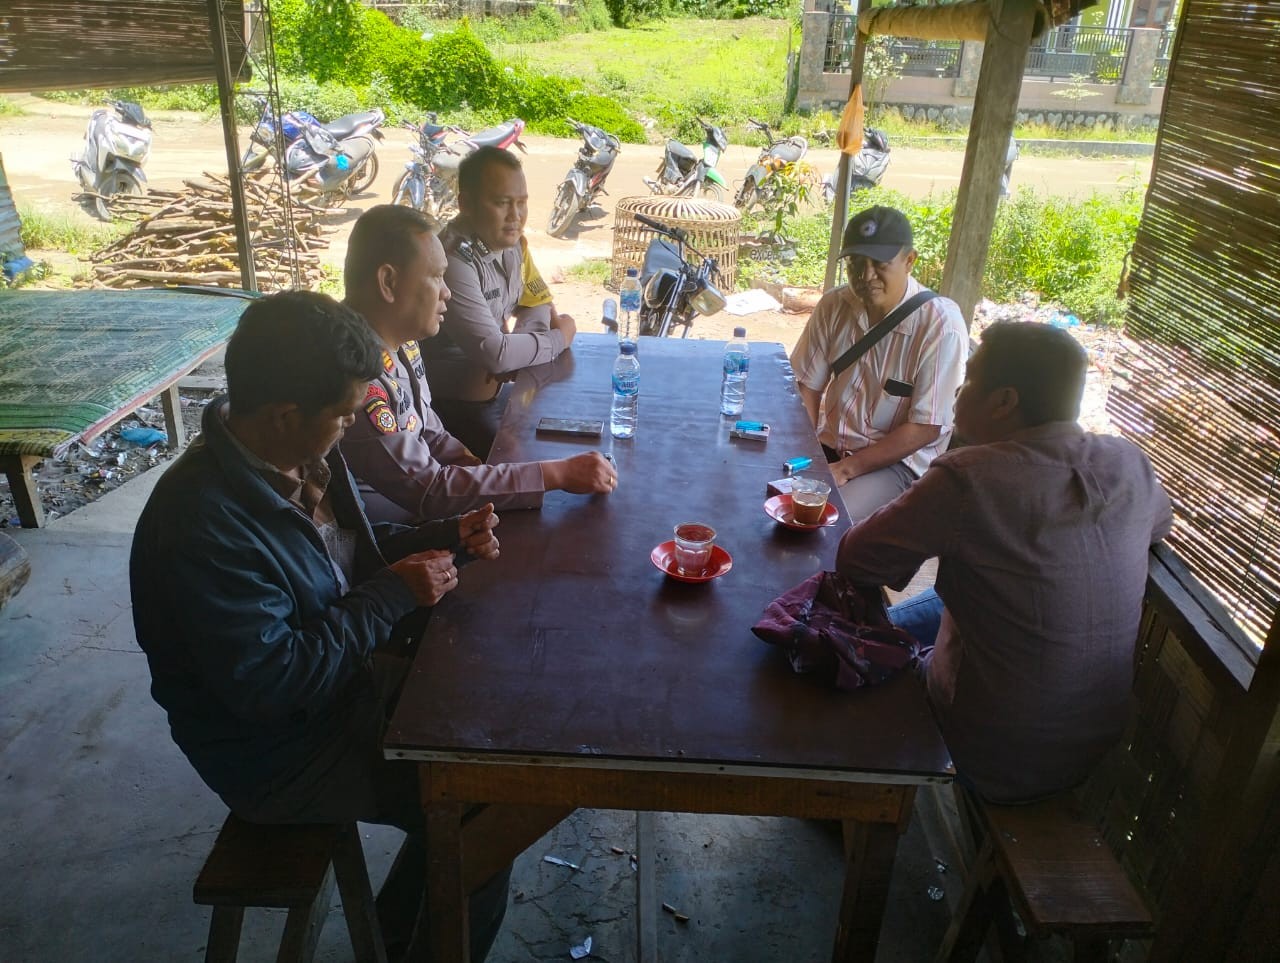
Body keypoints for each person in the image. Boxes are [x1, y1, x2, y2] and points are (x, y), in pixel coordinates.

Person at [130, 291, 510, 960]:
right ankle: (421, 942)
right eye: (341, 415)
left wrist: (444, 533)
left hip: (337, 694)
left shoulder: (288, 454)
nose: (348, 425)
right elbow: (271, 684)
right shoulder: (200, 526)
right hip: (275, 752)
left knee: (484, 709)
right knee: (485, 801)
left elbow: (348, 552)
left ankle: (402, 929)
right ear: (284, 413)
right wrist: (389, 597)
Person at [835, 321, 1173, 803]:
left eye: (969, 378)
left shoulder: (969, 478)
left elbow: (856, 559)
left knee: (850, 642)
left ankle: (844, 799)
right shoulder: (1128, 463)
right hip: (1091, 747)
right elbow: (1158, 526)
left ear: (1004, 401)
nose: (957, 391)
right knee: (940, 605)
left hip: (993, 752)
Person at [340, 204, 617, 524]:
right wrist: (554, 474)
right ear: (388, 282)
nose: (447, 293)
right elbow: (430, 491)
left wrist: (489, 474)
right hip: (383, 537)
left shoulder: (402, 343)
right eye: (435, 277)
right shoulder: (357, 373)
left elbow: (431, 435)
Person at [790, 205, 968, 521]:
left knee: (827, 520)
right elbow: (807, 386)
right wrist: (804, 451)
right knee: (770, 498)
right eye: (856, 264)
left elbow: (927, 427)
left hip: (897, 465)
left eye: (880, 264)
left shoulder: (941, 324)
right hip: (830, 448)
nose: (866, 275)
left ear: (909, 260)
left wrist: (846, 469)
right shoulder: (835, 305)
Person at [421, 145, 577, 458]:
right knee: (529, 462)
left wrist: (520, 348)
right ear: (466, 204)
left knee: (567, 432)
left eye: (521, 203)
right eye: (501, 203)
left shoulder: (513, 244)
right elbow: (496, 355)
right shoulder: (452, 259)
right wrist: (560, 336)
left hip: (496, 393)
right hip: (449, 413)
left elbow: (538, 303)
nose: (515, 216)